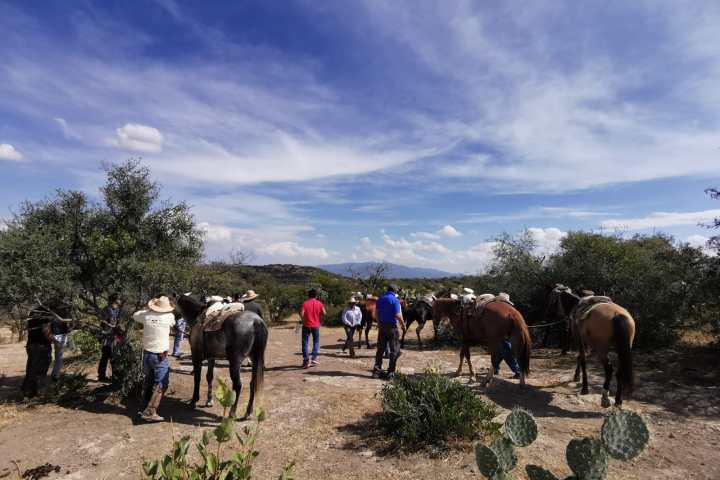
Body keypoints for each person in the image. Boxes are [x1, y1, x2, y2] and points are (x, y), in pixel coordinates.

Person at [134, 295, 176, 422]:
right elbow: (173, 323)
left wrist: (148, 309)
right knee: (162, 383)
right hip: (160, 356)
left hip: (147, 354)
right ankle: (150, 411)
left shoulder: (145, 316)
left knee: (149, 380)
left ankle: (143, 406)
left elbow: (135, 314)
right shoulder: (169, 317)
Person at [372, 284, 406, 380]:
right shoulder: (395, 300)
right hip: (391, 327)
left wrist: (379, 324)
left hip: (382, 326)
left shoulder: (380, 299)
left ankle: (376, 371)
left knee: (380, 349)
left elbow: (377, 314)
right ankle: (391, 372)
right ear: (395, 291)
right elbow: (398, 315)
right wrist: (403, 325)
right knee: (394, 350)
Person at [21, 305, 55, 397]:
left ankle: (27, 391)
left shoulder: (33, 312)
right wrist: (54, 339)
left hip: (31, 345)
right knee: (40, 369)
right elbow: (46, 330)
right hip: (42, 346)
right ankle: (34, 392)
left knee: (31, 368)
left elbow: (27, 327)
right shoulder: (45, 313)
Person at [98, 294, 121, 382]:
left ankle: (113, 375)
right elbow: (104, 323)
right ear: (114, 300)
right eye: (118, 299)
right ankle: (102, 376)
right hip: (107, 338)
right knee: (107, 356)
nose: (120, 301)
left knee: (112, 356)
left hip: (114, 337)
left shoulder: (117, 310)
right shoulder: (107, 310)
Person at [300, 289, 325, 368]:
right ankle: (313, 358)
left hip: (306, 325)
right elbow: (324, 313)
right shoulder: (319, 303)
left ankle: (306, 360)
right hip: (316, 325)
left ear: (308, 295)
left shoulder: (305, 303)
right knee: (316, 342)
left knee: (305, 343)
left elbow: (301, 314)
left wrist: (303, 320)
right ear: (316, 295)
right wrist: (318, 315)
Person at [50, 314, 71, 381]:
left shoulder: (53, 313)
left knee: (58, 356)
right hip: (60, 336)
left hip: (57, 335)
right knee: (59, 357)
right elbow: (67, 327)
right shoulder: (63, 312)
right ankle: (56, 375)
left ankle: (55, 373)